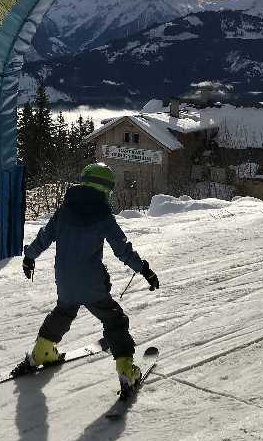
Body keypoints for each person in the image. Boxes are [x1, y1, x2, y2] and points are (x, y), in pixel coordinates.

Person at [21, 162, 159, 391]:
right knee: (114, 319)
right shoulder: (103, 215)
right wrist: (144, 269)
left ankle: (42, 351)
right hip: (92, 283)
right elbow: (122, 249)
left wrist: (29, 257)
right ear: (105, 189)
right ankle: (126, 369)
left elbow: (44, 237)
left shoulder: (65, 209)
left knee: (64, 310)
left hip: (64, 279)